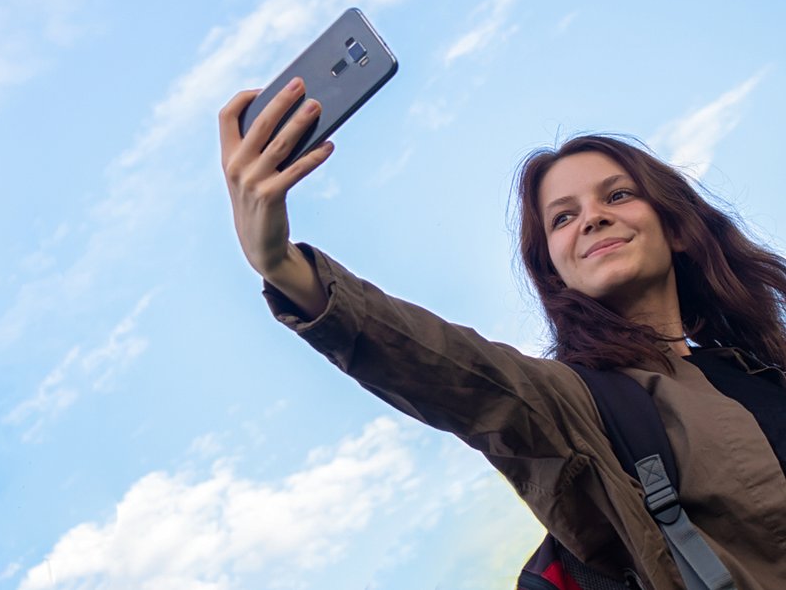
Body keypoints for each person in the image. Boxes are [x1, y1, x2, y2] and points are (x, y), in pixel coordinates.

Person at [218, 77, 786, 590]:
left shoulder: (762, 366)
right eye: (562, 218)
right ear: (555, 271)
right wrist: (282, 264)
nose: (591, 217)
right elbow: (457, 370)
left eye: (617, 196)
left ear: (677, 228)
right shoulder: (575, 404)